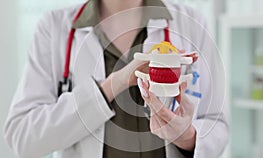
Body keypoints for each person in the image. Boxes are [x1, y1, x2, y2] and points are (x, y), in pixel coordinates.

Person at [4, 0, 229, 158]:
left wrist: (186, 136)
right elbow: (22, 138)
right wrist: (114, 84)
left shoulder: (191, 23)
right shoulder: (54, 27)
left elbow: (217, 125)